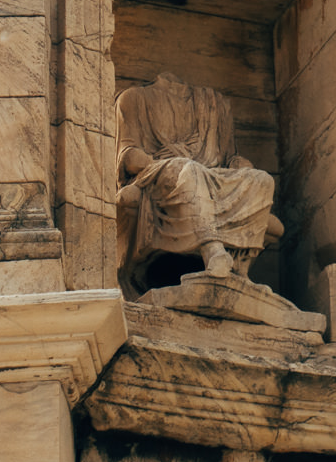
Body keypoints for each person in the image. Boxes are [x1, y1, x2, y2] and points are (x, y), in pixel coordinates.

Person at [114, 74, 283, 296]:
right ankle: (213, 252)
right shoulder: (133, 98)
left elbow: (231, 157)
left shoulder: (215, 103)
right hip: (161, 170)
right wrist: (161, 162)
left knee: (262, 179)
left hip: (213, 175)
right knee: (188, 170)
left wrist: (243, 166)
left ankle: (240, 273)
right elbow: (128, 157)